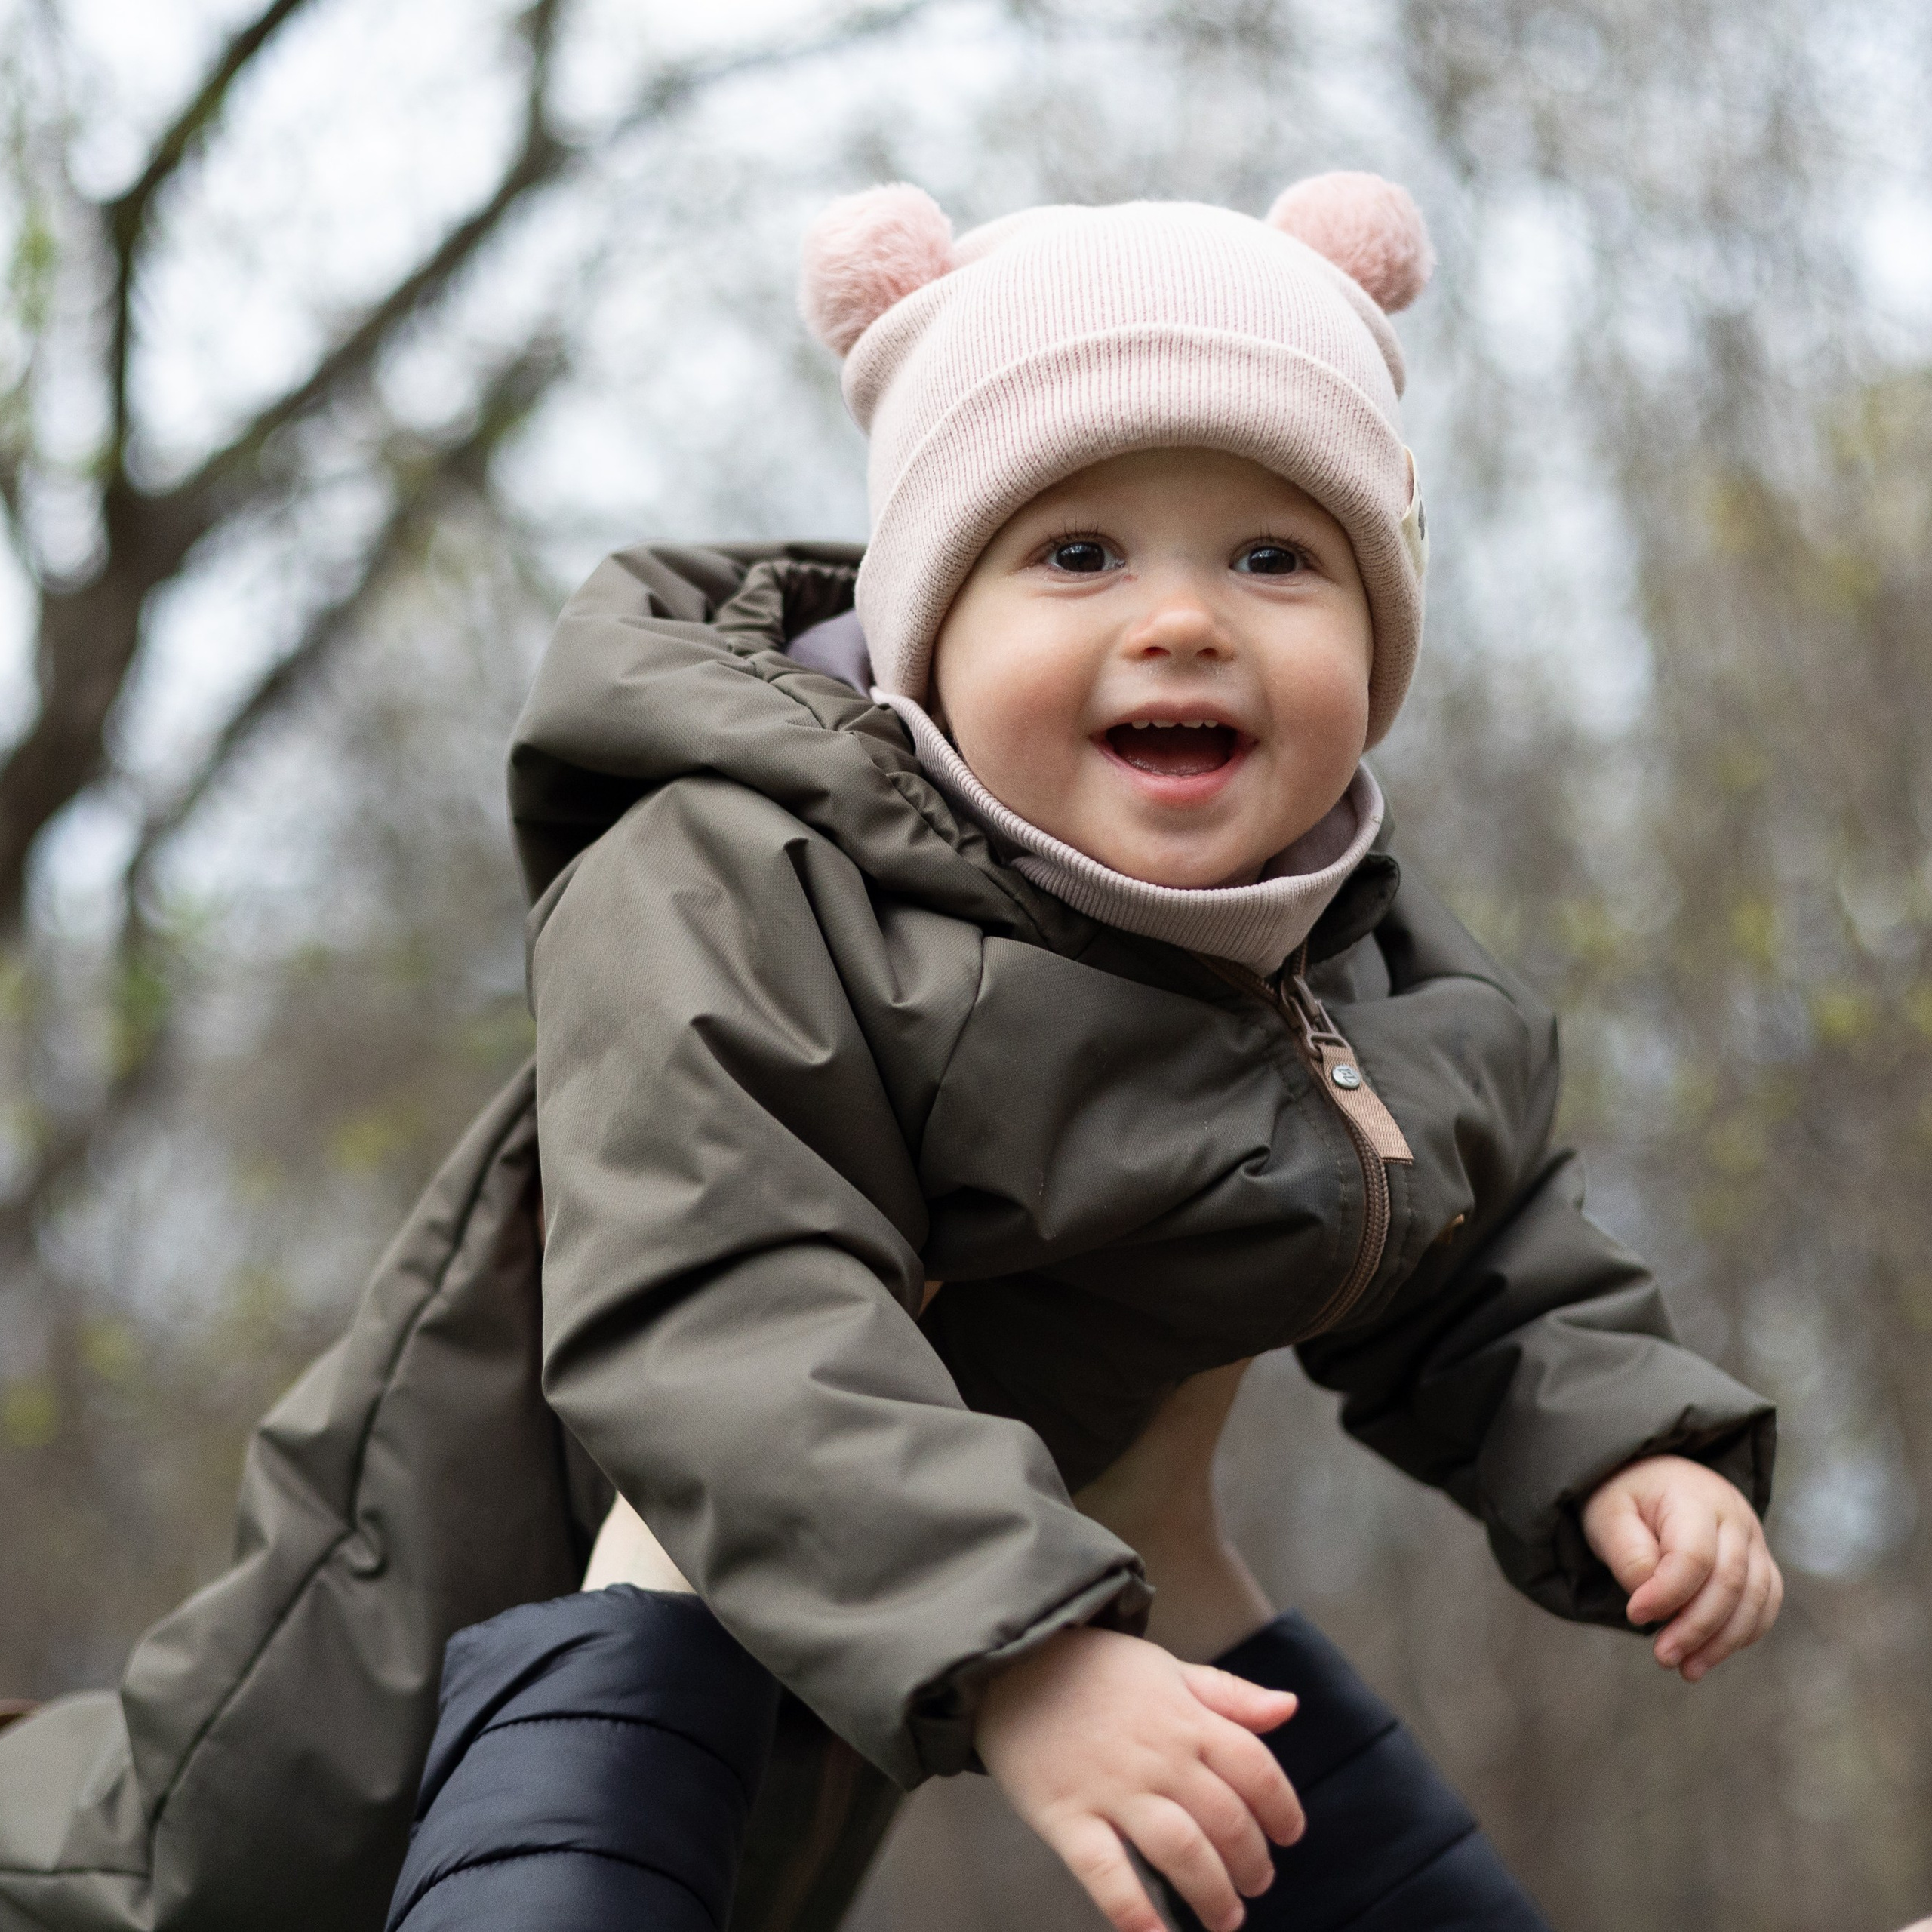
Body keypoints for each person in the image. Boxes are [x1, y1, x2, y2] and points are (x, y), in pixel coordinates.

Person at [380, 175, 1783, 1932]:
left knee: (1176, 1588)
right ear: (925, 634)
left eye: (1274, 555)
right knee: (1062, 1569)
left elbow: (1470, 1244)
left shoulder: (1353, 954)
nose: (1184, 615)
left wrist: (1621, 1442)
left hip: (918, 1614)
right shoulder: (739, 875)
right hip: (454, 1680)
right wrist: (1030, 1650)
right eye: (1076, 552)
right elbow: (718, 1310)